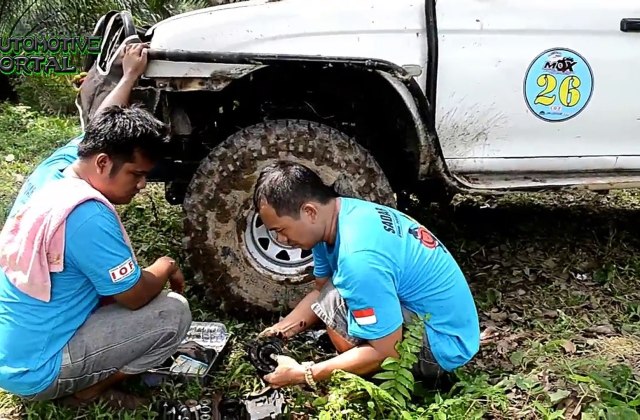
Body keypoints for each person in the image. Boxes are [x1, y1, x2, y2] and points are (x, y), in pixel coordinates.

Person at [0, 43, 191, 409]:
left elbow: (101, 121)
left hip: (14, 349)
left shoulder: (56, 171)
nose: (140, 186)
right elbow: (134, 296)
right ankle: (88, 390)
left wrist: (131, 75)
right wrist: (165, 265)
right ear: (103, 163)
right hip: (37, 369)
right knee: (173, 313)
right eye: (136, 175)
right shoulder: (86, 216)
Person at [253, 161, 480, 389]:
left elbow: (386, 352)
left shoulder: (358, 258)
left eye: (281, 230)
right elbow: (320, 291)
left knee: (335, 307)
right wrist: (278, 332)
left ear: (309, 211)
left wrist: (304, 374)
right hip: (443, 323)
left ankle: (371, 379)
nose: (281, 240)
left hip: (443, 346)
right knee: (331, 296)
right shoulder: (337, 216)